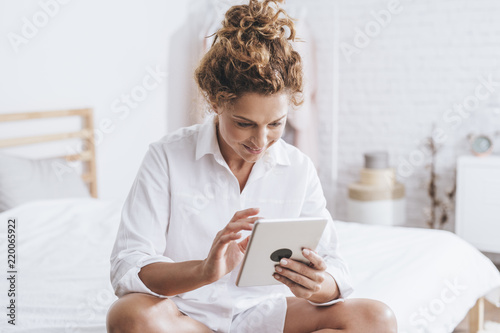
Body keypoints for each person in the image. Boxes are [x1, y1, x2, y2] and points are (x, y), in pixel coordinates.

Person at [106, 0, 397, 332]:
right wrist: (204, 270)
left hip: (266, 313)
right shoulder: (167, 157)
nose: (260, 141)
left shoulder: (298, 167)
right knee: (128, 315)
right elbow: (129, 268)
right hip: (187, 315)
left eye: (275, 123)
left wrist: (317, 285)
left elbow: (335, 270)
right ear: (216, 101)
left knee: (376, 319)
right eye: (244, 123)